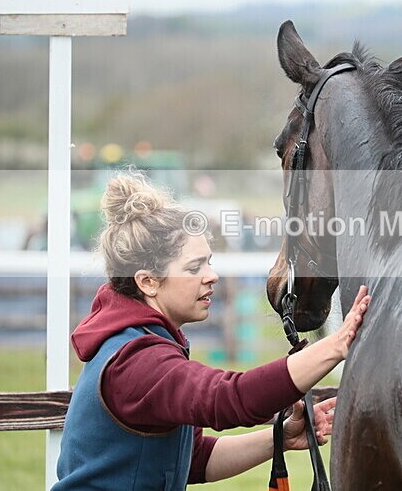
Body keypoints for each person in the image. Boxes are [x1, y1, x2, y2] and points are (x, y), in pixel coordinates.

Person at [53, 171, 370, 489]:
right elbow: (230, 397)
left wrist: (281, 437)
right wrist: (336, 345)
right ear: (148, 282)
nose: (212, 275)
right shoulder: (136, 360)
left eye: (209, 262)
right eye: (194, 267)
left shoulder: (143, 342)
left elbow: (192, 460)